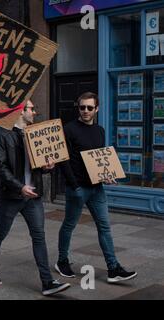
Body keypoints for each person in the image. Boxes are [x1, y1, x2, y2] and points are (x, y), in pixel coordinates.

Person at [0, 100, 71, 296]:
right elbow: (1, 167)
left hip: (33, 195)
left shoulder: (33, 133)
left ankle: (47, 282)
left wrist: (47, 166)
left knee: (39, 236)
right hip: (12, 196)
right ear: (19, 111)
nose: (34, 111)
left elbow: (38, 164)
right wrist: (19, 187)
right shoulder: (3, 134)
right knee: (0, 232)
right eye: (31, 108)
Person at [56, 92, 137, 283]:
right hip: (77, 188)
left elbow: (98, 159)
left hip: (97, 188)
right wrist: (74, 185)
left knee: (105, 226)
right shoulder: (69, 129)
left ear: (96, 109)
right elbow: (63, 160)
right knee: (69, 224)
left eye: (89, 108)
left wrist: (106, 176)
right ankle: (62, 260)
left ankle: (113, 268)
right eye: (82, 107)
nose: (85, 111)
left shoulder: (100, 130)